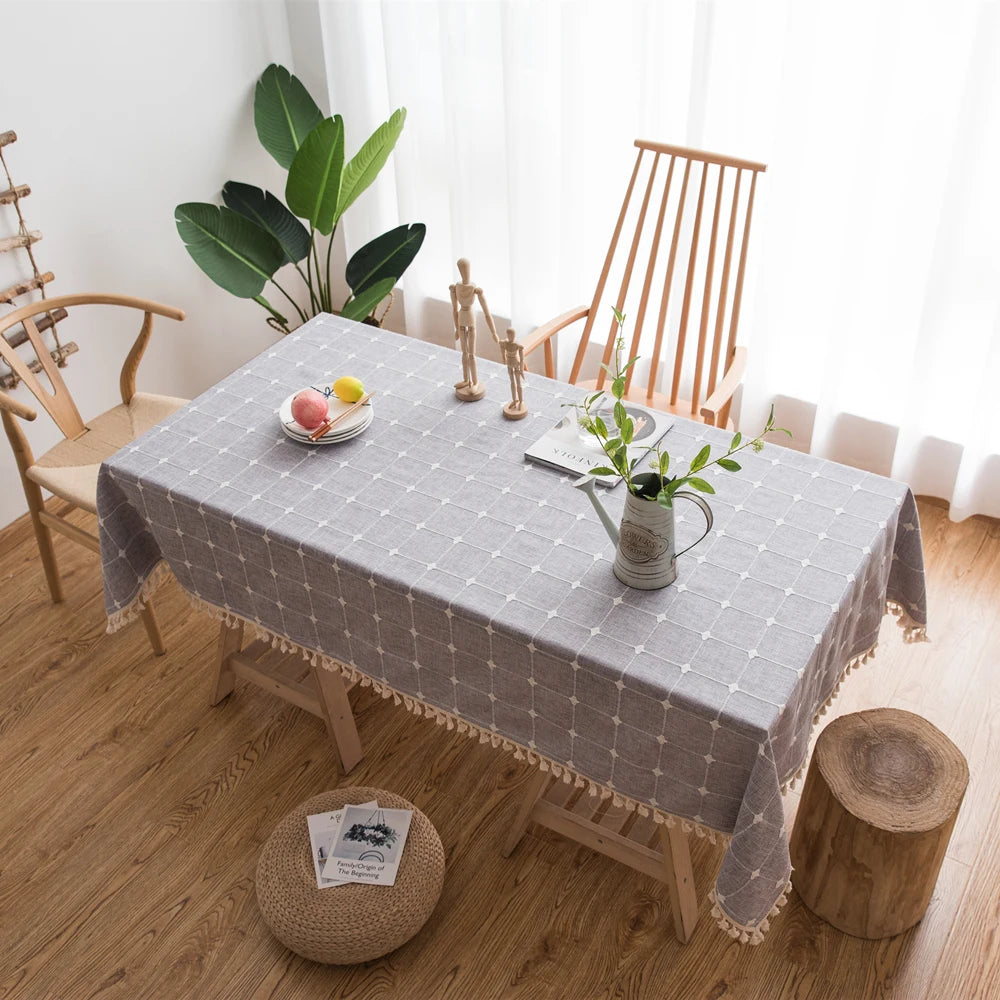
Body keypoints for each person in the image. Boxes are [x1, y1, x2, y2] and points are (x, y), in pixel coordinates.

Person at [449, 258, 499, 400]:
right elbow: (454, 309)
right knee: (464, 353)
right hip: (461, 319)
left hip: (470, 321)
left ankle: (475, 381)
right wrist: (456, 329)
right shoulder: (456, 287)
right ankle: (466, 380)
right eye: (461, 269)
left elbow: (486, 312)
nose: (464, 272)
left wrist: (494, 332)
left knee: (471, 354)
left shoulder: (475, 289)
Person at [499, 327, 527, 419]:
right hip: (509, 364)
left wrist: (522, 370)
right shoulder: (505, 343)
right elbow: (501, 347)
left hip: (516, 363)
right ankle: (515, 400)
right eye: (509, 335)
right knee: (512, 382)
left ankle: (521, 401)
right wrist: (504, 358)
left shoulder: (517, 345)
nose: (511, 337)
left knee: (518, 383)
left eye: (512, 335)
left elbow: (522, 358)